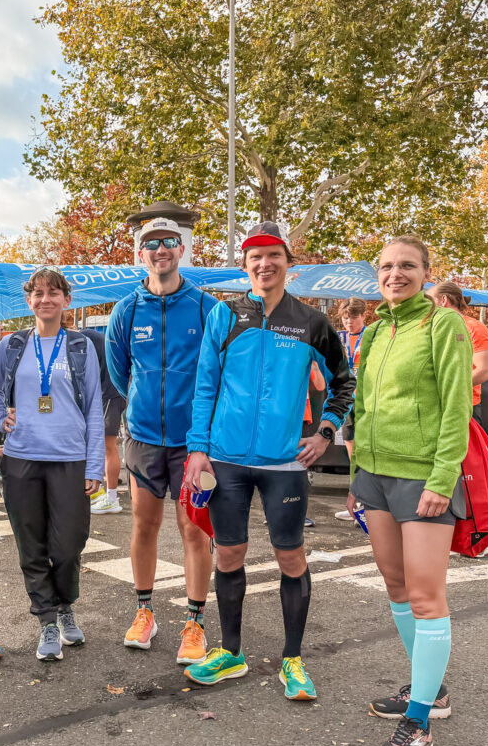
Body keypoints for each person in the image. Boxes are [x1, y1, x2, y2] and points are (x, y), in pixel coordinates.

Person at [182, 221, 355, 701]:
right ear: (245, 266)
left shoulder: (312, 322)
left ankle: (293, 660)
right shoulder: (224, 316)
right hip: (225, 460)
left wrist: (325, 432)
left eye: (274, 255)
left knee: (290, 556)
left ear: (288, 265)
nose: (264, 264)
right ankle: (232, 652)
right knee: (230, 553)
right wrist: (198, 449)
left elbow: (344, 382)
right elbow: (204, 387)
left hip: (284, 463)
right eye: (255, 257)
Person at [348, 236, 471, 746]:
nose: (395, 274)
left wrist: (442, 479)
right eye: (387, 267)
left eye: (407, 266)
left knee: (425, 594)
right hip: (374, 475)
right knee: (396, 586)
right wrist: (356, 475)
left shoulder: (443, 325)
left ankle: (418, 723)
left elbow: (455, 406)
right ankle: (431, 691)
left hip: (423, 477)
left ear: (425, 272)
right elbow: (363, 405)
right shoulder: (374, 331)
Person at [106, 217, 217, 664]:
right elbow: (119, 372)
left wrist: (202, 436)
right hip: (144, 438)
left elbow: (218, 372)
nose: (160, 250)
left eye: (169, 242)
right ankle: (145, 612)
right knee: (144, 526)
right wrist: (143, 406)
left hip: (194, 443)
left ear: (181, 249)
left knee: (193, 530)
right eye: (151, 244)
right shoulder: (126, 310)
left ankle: (195, 623)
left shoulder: (208, 307)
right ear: (141, 253)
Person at [0, 268, 103, 660]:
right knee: (31, 545)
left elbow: (95, 411)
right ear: (29, 300)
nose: (45, 299)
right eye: (38, 293)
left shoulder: (82, 345)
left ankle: (66, 603)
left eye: (54, 292)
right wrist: (1, 418)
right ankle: (48, 620)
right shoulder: (13, 344)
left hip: (70, 458)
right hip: (22, 458)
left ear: (67, 300)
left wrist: (94, 465)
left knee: (68, 545)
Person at [73, 313, 126, 515]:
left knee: (107, 446)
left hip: (110, 393)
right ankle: (106, 493)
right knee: (103, 445)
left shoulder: (81, 339)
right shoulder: (88, 337)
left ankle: (112, 498)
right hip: (111, 392)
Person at [428, 282, 488, 416]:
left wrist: (445, 390)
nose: (426, 307)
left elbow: (484, 371)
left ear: (443, 300)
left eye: (429, 301)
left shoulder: (473, 327)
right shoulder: (432, 327)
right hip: (434, 405)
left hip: (462, 406)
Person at [333, 298, 367, 521]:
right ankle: (357, 503)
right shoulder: (338, 337)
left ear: (363, 316)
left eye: (353, 318)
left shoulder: (372, 335)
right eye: (345, 318)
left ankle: (368, 504)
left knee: (367, 452)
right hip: (347, 401)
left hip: (368, 400)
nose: (349, 322)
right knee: (353, 454)